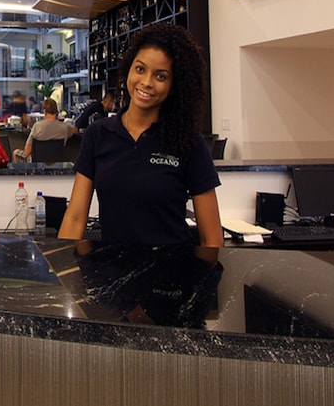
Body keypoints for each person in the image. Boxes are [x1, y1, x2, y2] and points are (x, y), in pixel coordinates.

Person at [58, 24, 223, 247]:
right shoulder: (98, 134)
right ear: (128, 69)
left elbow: (211, 237)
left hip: (172, 266)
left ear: (174, 85)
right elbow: (76, 218)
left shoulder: (188, 141)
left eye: (161, 76)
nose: (146, 82)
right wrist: (61, 265)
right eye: (140, 69)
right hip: (112, 266)